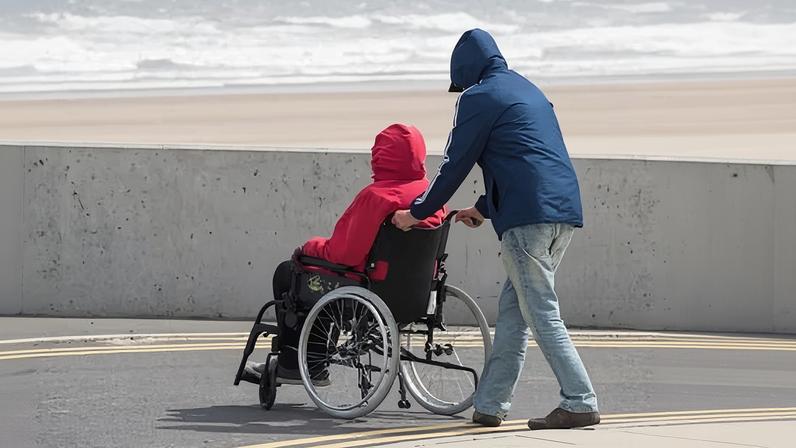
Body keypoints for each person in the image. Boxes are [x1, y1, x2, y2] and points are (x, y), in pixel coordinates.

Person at [392, 29, 600, 430]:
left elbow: (454, 164)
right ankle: (490, 405)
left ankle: (579, 399)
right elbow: (530, 159)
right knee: (513, 315)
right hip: (563, 212)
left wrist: (416, 213)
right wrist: (485, 208)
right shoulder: (530, 91)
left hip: (528, 221)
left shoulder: (479, 97)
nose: (461, 90)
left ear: (466, 70)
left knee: (540, 314)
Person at [244, 123, 447, 386]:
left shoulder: (376, 197)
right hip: (415, 292)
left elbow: (344, 254)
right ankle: (309, 360)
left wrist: (309, 247)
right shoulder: (430, 196)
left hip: (369, 289)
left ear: (380, 157)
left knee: (290, 274)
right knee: (320, 279)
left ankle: (297, 363)